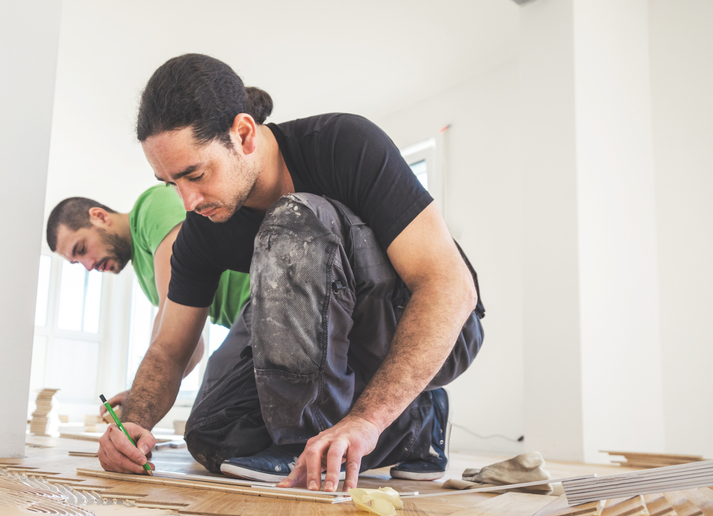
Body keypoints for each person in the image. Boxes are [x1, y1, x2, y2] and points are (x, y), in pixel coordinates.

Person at [98, 53, 485, 492]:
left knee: (294, 219)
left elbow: (449, 286)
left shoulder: (343, 143)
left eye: (196, 175)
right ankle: (416, 421)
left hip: (431, 326)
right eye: (172, 184)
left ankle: (305, 441)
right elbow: (170, 348)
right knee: (212, 434)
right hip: (327, 346)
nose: (188, 201)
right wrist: (133, 423)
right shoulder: (201, 230)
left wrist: (367, 420)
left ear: (243, 134)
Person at [45, 186, 251, 412]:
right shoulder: (144, 275)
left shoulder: (152, 205)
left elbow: (171, 327)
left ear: (100, 217)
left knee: (214, 418)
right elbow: (191, 345)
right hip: (247, 326)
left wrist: (142, 396)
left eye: (82, 249)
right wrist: (140, 393)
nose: (88, 266)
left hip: (261, 299)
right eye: (76, 263)